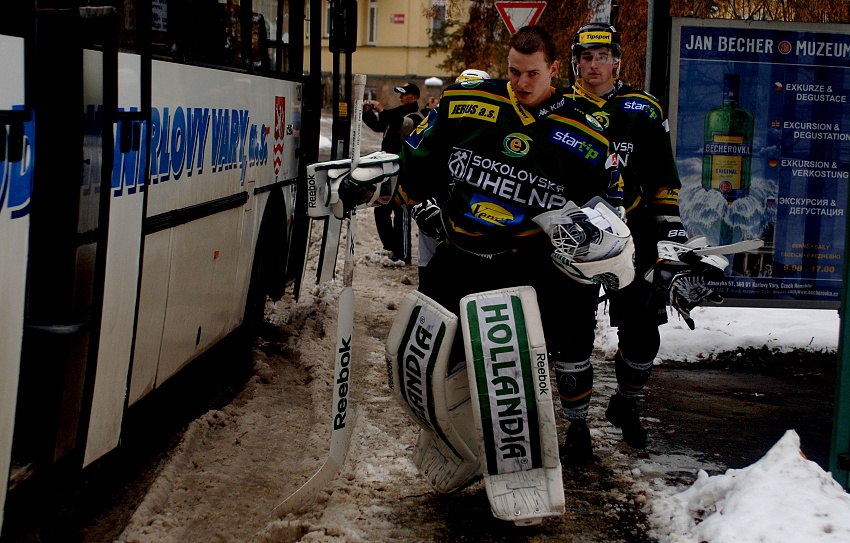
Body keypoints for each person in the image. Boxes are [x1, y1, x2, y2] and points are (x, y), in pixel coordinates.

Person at [398, 26, 627, 464]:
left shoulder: (587, 133)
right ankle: (453, 439)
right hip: (458, 255)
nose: (521, 83)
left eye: (532, 74)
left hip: (528, 262)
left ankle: (553, 435)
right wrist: (418, 200)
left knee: (524, 362)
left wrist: (591, 233)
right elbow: (418, 158)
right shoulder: (465, 103)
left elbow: (607, 201)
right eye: (513, 72)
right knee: (436, 357)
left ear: (555, 70)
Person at [564, 21, 718, 462]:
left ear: (617, 60)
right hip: (574, 236)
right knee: (572, 334)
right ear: (575, 62)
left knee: (643, 332)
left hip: (635, 233)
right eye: (586, 57)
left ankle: (626, 404)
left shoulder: (644, 108)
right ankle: (576, 426)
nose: (594, 65)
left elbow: (662, 177)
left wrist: (671, 229)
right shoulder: (559, 108)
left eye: (603, 56)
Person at [412, 69, 491, 293]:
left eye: (475, 96)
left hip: (477, 233)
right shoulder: (437, 123)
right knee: (430, 289)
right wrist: (421, 205)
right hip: (436, 222)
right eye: (462, 94)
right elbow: (415, 165)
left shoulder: (497, 130)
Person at [363, 83, 423, 263]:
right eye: (400, 94)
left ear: (415, 97)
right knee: (380, 208)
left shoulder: (417, 117)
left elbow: (400, 125)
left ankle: (402, 254)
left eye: (405, 94)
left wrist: (382, 110)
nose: (401, 97)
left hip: (404, 172)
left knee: (400, 212)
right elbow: (378, 125)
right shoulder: (395, 113)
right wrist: (367, 112)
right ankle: (390, 247)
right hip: (388, 170)